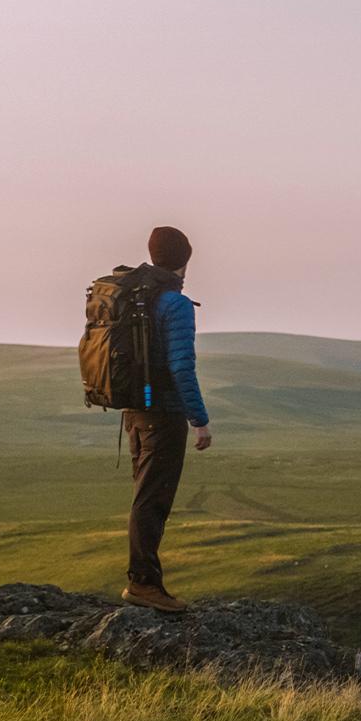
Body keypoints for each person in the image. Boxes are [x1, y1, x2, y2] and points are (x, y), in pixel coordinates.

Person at [122, 225, 211, 613]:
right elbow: (181, 366)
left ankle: (144, 582)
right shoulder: (174, 304)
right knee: (152, 500)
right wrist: (199, 419)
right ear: (184, 261)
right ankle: (143, 584)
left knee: (145, 496)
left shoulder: (135, 295)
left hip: (135, 410)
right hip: (164, 412)